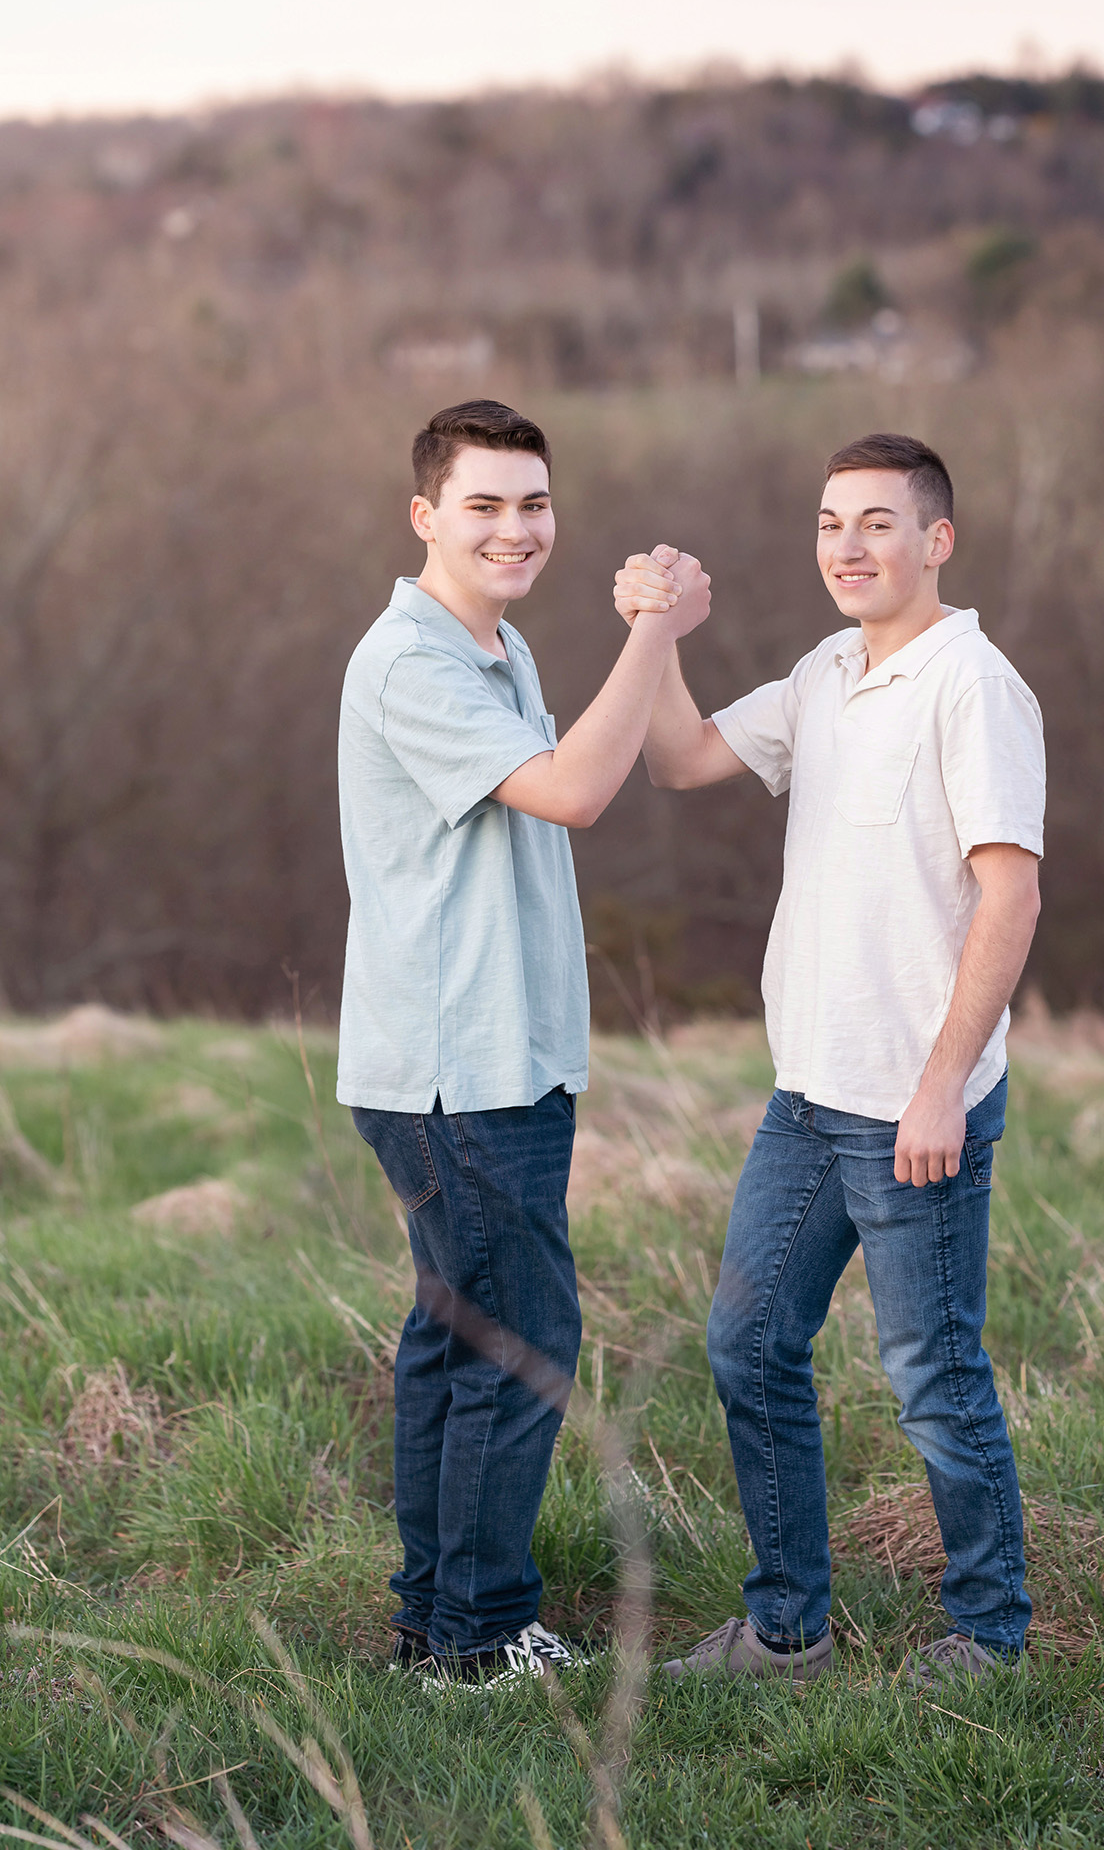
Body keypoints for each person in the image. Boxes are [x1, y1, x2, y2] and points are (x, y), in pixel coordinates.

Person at [613, 431, 1044, 1689]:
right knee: (747, 1345)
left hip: (918, 1104)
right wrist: (659, 631)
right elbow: (683, 757)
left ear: (935, 540)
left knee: (932, 1377)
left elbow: (1008, 900)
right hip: (808, 1095)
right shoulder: (828, 669)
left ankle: (990, 1635)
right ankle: (789, 1627)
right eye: (827, 524)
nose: (846, 548)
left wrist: (939, 1087)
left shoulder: (975, 683)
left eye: (875, 524)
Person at [338, 399, 709, 1688]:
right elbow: (576, 788)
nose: (516, 526)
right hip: (459, 1070)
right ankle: (483, 1636)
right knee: (524, 1334)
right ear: (426, 514)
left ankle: (436, 1624)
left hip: (504, 1059)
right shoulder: (414, 661)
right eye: (485, 504)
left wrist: (639, 644)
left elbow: (569, 775)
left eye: (534, 503)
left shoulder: (493, 648)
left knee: (458, 1331)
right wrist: (656, 632)